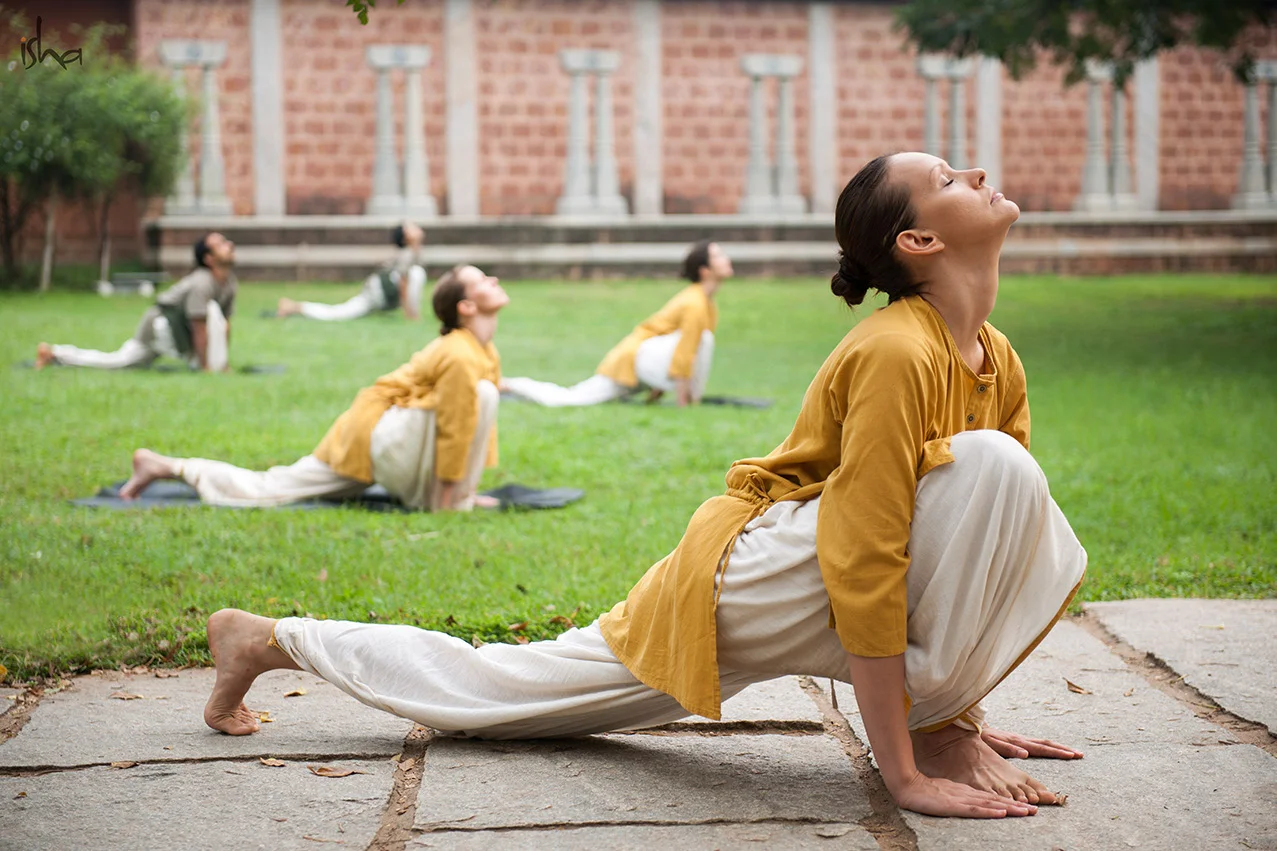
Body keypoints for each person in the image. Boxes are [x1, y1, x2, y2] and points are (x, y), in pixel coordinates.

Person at [199, 153, 1088, 820]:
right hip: (759, 575)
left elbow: (974, 554)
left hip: (817, 578)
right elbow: (865, 549)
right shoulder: (896, 348)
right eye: (946, 174)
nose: (973, 170)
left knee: (1015, 490)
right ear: (918, 240)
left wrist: (954, 714)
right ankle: (268, 638)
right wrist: (904, 770)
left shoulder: (992, 355)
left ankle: (270, 639)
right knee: (500, 692)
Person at [120, 265, 509, 512]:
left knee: (273, 486)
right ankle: (168, 466)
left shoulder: (480, 347)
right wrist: (445, 503)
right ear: (466, 307)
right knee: (272, 487)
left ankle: (169, 466)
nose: (494, 280)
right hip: (377, 436)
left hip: (395, 438)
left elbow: (469, 425)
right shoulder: (459, 353)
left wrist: (464, 492)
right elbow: (455, 428)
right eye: (482, 281)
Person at [501, 240, 731, 407]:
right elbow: (683, 354)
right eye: (719, 256)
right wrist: (684, 404)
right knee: (570, 398)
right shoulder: (695, 303)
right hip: (632, 360)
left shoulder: (703, 301)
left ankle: (512, 385)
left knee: (574, 396)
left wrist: (657, 395)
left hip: (644, 362)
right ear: (705, 270)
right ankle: (512, 385)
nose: (727, 259)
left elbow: (681, 349)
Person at [36, 233, 237, 372]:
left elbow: (224, 325)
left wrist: (223, 363)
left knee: (122, 364)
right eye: (220, 244)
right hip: (161, 325)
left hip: (180, 329)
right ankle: (55, 353)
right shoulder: (201, 282)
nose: (229, 245)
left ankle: (55, 354)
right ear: (209, 258)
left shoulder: (228, 282)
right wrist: (206, 368)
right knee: (119, 362)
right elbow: (199, 326)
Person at [275, 223, 427, 321]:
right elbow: (403, 283)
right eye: (411, 227)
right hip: (378, 292)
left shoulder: (411, 253)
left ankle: (294, 307)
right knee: (339, 313)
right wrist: (411, 315)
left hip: (379, 291)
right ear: (406, 236)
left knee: (340, 312)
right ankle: (294, 307)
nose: (416, 228)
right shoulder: (406, 256)